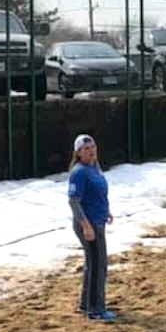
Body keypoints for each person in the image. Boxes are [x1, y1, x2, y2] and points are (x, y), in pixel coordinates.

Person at [68, 134, 115, 322]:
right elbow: (74, 201)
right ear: (78, 153)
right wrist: (86, 226)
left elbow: (98, 194)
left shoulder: (95, 168)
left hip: (98, 220)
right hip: (88, 224)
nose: (91, 151)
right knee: (98, 266)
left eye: (93, 147)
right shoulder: (79, 172)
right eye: (86, 148)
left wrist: (107, 210)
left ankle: (87, 303)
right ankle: (95, 310)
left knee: (94, 264)